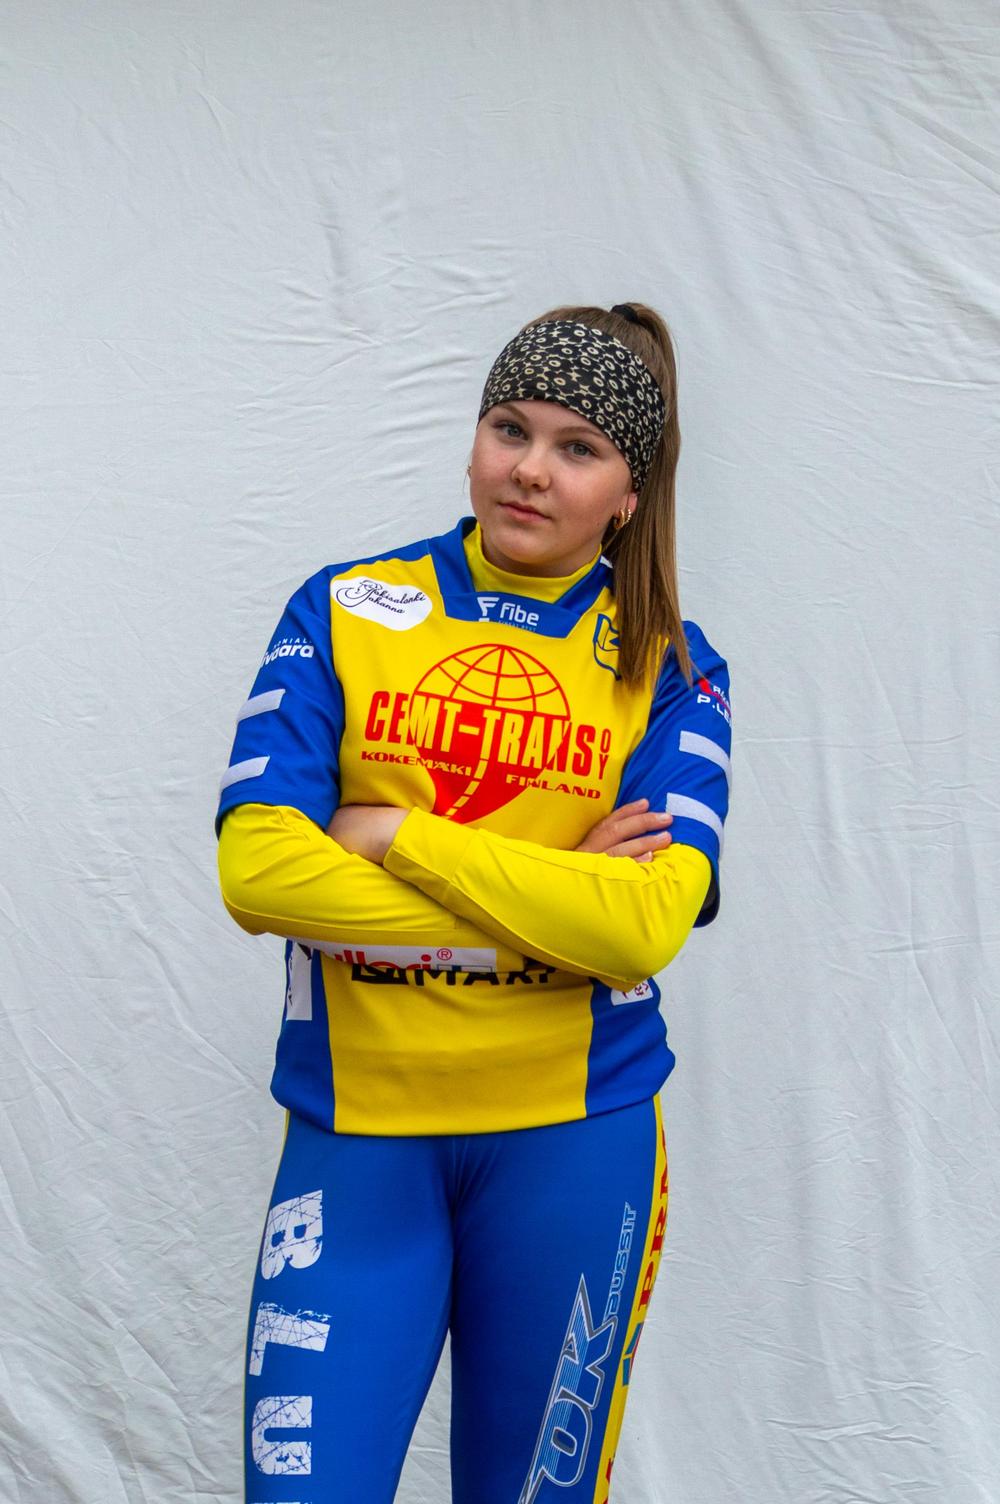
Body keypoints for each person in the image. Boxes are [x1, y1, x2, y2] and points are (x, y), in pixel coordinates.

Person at [215, 303, 732, 1503]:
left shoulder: (671, 665)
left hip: (575, 1144)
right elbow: (258, 872)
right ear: (473, 441)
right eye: (510, 428)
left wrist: (393, 834)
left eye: (577, 448)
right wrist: (556, 893)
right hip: (356, 1139)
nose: (530, 469)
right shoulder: (345, 610)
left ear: (628, 495)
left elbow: (643, 926)